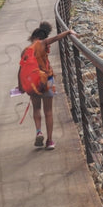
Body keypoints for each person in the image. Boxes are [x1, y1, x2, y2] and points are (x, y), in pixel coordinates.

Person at [18, 21, 73, 150]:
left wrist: (21, 85)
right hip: (47, 80)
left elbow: (21, 70)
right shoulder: (43, 44)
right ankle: (49, 141)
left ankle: (38, 131)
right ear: (43, 38)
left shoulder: (25, 51)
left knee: (36, 108)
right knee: (48, 111)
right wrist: (69, 32)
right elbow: (57, 38)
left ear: (32, 37)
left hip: (32, 83)